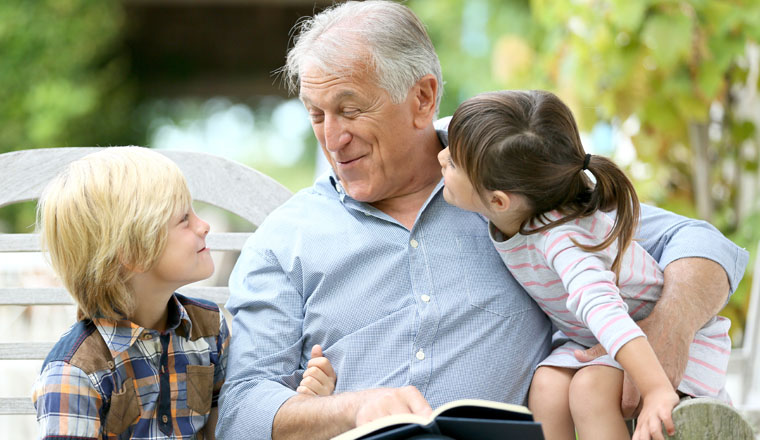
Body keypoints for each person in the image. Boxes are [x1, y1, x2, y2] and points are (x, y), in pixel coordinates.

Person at [216, 1, 748, 439]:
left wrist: (667, 327)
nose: (332, 137)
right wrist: (352, 409)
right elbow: (243, 410)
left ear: (422, 98)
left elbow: (702, 243)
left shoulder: (509, 185)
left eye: (351, 110)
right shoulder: (288, 237)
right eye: (316, 114)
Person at [438, 90, 735, 440]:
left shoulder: (564, 241)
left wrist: (656, 389)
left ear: (499, 201)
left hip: (663, 347)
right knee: (546, 387)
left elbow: (604, 310)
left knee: (590, 390)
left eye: (454, 162)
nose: (440, 156)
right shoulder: (523, 211)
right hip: (598, 341)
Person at [32, 147, 229, 439]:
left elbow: (221, 430)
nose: (204, 226)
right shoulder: (76, 372)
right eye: (184, 218)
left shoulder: (209, 329)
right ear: (133, 254)